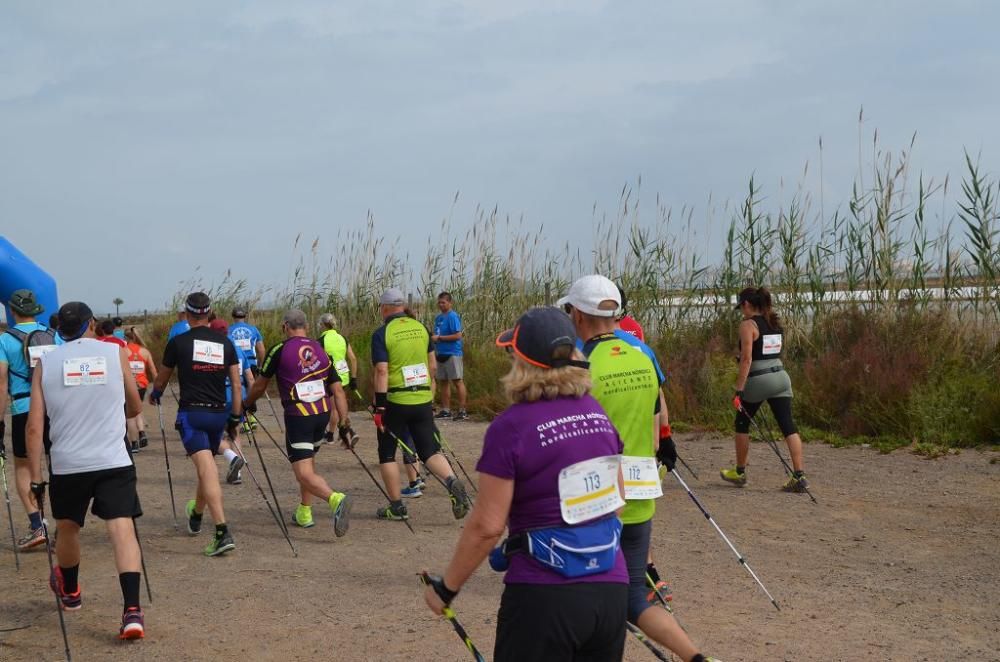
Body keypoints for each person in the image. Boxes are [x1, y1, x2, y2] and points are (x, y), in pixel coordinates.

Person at [424, 306, 629, 661]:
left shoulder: (511, 426)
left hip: (544, 594)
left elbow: (487, 526)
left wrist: (447, 589)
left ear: (521, 362)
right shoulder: (597, 413)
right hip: (610, 588)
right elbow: (618, 500)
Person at [560, 275, 716, 662]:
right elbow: (655, 412)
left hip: (593, 495)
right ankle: (696, 657)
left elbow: (567, 435)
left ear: (579, 315)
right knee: (631, 595)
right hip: (639, 490)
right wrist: (664, 444)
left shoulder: (577, 363)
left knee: (575, 595)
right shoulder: (642, 352)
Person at [26, 301, 146, 639]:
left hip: (68, 462)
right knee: (121, 529)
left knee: (68, 528)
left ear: (61, 329)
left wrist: (36, 477)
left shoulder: (46, 363)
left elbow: (35, 427)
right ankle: (132, 611)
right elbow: (134, 404)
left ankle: (73, 593)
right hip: (112, 458)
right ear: (91, 323)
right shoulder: (114, 352)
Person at [149, 292, 243, 557]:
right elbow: (236, 385)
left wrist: (155, 394)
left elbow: (161, 380)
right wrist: (235, 418)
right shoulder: (225, 343)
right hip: (218, 414)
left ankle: (222, 530)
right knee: (207, 467)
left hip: (192, 414)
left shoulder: (178, 342)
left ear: (188, 314)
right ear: (209, 313)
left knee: (207, 467)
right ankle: (196, 515)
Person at [245, 309, 352, 534]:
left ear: (285, 326)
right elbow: (338, 390)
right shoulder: (319, 349)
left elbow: (259, 385)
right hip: (322, 414)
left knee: (302, 472)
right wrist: (344, 423)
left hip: (299, 417)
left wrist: (246, 404)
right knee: (308, 462)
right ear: (307, 326)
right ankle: (304, 512)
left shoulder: (279, 349)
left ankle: (335, 500)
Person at [370, 288, 470, 522]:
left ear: (384, 308)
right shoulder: (422, 328)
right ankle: (451, 482)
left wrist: (380, 407)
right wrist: (428, 391)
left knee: (386, 453)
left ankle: (396, 506)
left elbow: (382, 370)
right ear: (402, 306)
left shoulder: (382, 333)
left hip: (395, 400)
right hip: (422, 398)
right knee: (429, 451)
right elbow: (433, 366)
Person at [722, 287, 809, 492]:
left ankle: (740, 472)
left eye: (741, 307)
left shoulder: (747, 325)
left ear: (746, 305)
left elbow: (747, 359)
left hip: (758, 380)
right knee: (788, 425)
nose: (741, 312)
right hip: (780, 377)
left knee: (742, 422)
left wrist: (739, 390)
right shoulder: (774, 322)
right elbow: (768, 351)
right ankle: (799, 475)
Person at [0, 289, 59, 551]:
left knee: (24, 466)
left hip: (24, 406)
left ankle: (37, 524)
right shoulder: (53, 334)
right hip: (55, 406)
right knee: (57, 464)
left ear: (12, 311)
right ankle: (64, 523)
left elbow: (1, 385)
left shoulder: (5, 340)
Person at [208, 318, 250, 486]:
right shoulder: (238, 349)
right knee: (235, 433)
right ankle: (237, 473)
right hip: (238, 398)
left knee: (212, 436)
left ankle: (226, 463)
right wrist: (249, 401)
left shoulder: (212, 350)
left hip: (218, 397)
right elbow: (249, 377)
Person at [317, 312, 359, 446]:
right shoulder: (342, 338)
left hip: (331, 377)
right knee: (341, 406)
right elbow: (352, 358)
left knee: (334, 408)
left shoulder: (321, 341)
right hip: (344, 376)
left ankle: (331, 435)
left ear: (323, 325)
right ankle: (348, 432)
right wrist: (354, 378)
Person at [432, 291, 468, 421]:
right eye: (439, 302)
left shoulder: (453, 316)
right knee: (443, 382)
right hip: (440, 353)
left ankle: (463, 411)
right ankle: (446, 410)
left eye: (443, 302)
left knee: (457, 381)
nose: (441, 305)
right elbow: (436, 334)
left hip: (453, 353)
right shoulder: (438, 318)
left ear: (449, 303)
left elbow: (458, 335)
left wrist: (440, 338)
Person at [124, 327, 158, 453]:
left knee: (129, 415)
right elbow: (153, 370)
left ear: (126, 338)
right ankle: (142, 432)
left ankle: (134, 443)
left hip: (129, 385)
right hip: (142, 385)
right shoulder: (145, 352)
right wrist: (158, 386)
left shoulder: (123, 351)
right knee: (137, 409)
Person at [229, 307, 266, 383]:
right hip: (251, 363)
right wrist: (260, 366)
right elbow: (261, 350)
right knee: (251, 390)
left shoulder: (228, 330)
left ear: (233, 316)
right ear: (245, 316)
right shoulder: (254, 329)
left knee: (236, 388)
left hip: (234, 364)